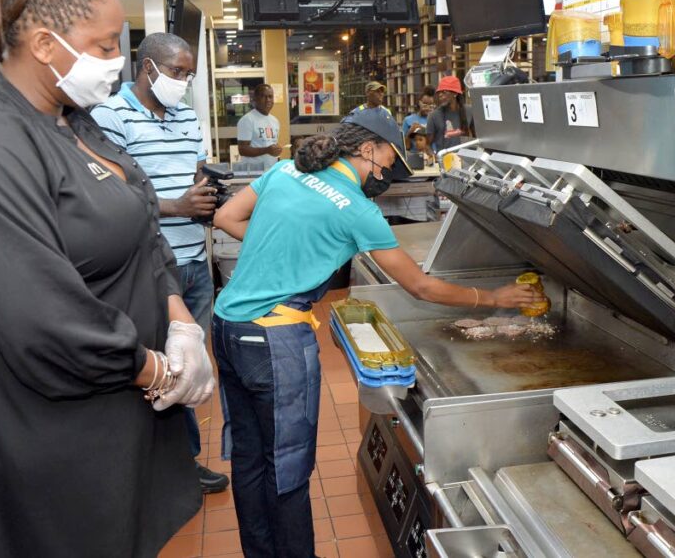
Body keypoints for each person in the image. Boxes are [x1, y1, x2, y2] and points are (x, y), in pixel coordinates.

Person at [0, 0, 214, 557]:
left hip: (119, 416)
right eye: (104, 47)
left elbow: (140, 229)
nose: (114, 62)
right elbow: (42, 316)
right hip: (51, 429)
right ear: (46, 45)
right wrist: (157, 369)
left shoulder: (75, 122)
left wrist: (179, 319)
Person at [210, 108, 544, 558]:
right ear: (367, 149)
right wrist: (495, 299)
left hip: (228, 329)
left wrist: (283, 253)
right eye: (388, 159)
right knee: (286, 469)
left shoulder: (287, 170)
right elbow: (420, 286)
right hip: (276, 340)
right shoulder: (357, 209)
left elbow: (227, 217)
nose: (387, 172)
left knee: (251, 461)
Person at [91, 32, 229, 495]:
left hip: (194, 260)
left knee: (188, 370)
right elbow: (109, 198)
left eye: (189, 74)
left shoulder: (188, 115)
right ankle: (159, 469)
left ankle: (180, 463)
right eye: (176, 72)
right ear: (146, 66)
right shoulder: (108, 117)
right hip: (148, 267)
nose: (184, 82)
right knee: (155, 371)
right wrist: (176, 207)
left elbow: (195, 172)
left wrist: (207, 196)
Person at [237, 83, 282, 171]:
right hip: (253, 172)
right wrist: (267, 150)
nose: (268, 100)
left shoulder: (275, 121)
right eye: (263, 96)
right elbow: (242, 150)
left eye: (270, 97)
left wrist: (276, 151)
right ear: (255, 99)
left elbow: (272, 145)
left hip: (271, 171)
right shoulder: (247, 120)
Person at [425, 75, 473, 152]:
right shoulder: (433, 116)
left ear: (455, 94)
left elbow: (477, 138)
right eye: (439, 92)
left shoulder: (470, 111)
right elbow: (427, 145)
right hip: (444, 161)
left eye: (444, 92)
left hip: (465, 160)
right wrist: (436, 159)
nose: (440, 95)